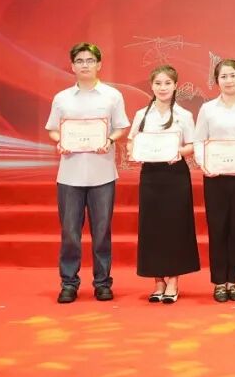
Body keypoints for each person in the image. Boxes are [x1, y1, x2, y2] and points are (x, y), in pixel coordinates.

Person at [45, 42, 129, 304]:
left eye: (90, 60)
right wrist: (61, 141)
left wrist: (109, 140)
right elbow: (53, 129)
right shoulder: (62, 98)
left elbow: (120, 127)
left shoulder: (112, 96)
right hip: (69, 175)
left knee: (101, 232)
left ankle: (102, 283)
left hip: (102, 173)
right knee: (70, 233)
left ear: (99, 64)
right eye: (80, 61)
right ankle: (69, 283)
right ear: (72, 66)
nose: (85, 65)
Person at [126, 64, 201, 304]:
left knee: (176, 227)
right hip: (150, 175)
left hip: (175, 175)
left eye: (167, 83)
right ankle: (158, 281)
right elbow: (131, 142)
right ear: (152, 86)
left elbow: (192, 145)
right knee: (152, 228)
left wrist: (177, 152)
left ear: (175, 85)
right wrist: (134, 151)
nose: (163, 88)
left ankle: (174, 281)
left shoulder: (184, 115)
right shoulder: (142, 115)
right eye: (158, 83)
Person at [194, 59, 235, 303]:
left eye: (233, 75)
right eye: (223, 76)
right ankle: (219, 282)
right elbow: (199, 140)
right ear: (217, 81)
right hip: (215, 176)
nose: (229, 80)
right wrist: (204, 164)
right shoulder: (207, 109)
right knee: (217, 228)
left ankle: (233, 281)